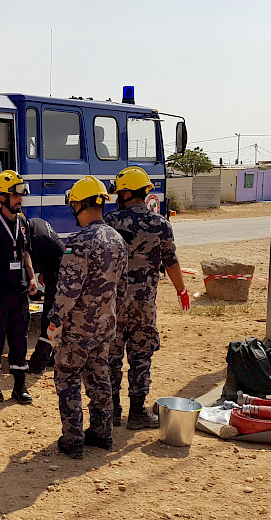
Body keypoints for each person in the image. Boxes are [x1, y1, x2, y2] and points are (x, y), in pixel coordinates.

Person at [104, 166, 191, 430]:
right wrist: (182, 290)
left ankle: (112, 410)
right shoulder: (160, 225)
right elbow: (171, 262)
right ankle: (137, 413)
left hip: (114, 303)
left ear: (126, 193)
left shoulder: (110, 222)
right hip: (144, 303)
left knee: (112, 355)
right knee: (141, 356)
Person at [47, 176, 128, 459]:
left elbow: (68, 290)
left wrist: (55, 320)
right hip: (106, 325)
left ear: (79, 205)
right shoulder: (118, 239)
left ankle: (73, 439)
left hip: (77, 328)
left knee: (68, 379)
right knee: (99, 377)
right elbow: (123, 285)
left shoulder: (79, 241)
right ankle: (103, 433)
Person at [0, 170, 37, 404]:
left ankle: (19, 387)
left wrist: (31, 277)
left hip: (19, 292)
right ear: (2, 197)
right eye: (15, 195)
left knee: (19, 339)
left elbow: (25, 252)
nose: (20, 200)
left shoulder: (23, 223)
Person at [27, 217, 66, 375]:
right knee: (53, 315)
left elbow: (28, 260)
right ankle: (52, 357)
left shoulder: (35, 235)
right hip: (57, 268)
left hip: (59, 273)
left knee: (49, 318)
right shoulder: (36, 224)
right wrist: (44, 271)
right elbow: (49, 252)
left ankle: (38, 364)